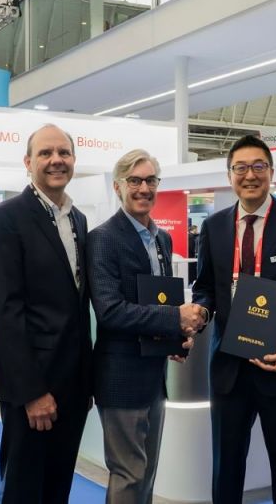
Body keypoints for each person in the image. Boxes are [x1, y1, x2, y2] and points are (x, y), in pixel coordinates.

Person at [191, 135, 276, 504]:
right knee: (226, 468)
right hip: (229, 369)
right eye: (240, 168)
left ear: (271, 172)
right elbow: (205, 287)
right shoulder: (214, 227)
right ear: (229, 175)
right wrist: (200, 311)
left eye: (258, 167)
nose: (249, 175)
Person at [0, 124, 93, 504]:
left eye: (63, 152)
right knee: (24, 489)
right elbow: (5, 310)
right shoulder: (6, 219)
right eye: (45, 153)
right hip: (31, 384)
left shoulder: (78, 219)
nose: (56, 160)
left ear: (74, 160)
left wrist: (85, 382)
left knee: (58, 487)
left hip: (73, 384)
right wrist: (33, 392)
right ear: (28, 163)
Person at [87, 149, 202, 504]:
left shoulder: (162, 239)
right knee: (129, 474)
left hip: (154, 374)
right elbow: (111, 311)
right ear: (118, 186)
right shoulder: (103, 238)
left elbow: (158, 299)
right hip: (121, 377)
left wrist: (175, 338)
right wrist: (174, 319)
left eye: (150, 180)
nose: (144, 188)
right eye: (135, 180)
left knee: (147, 473)